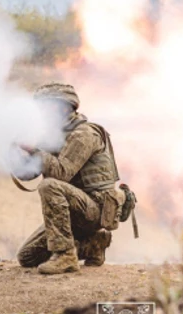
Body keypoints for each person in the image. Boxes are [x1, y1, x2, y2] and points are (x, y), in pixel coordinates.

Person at [15, 82, 125, 274]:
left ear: (63, 106)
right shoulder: (52, 135)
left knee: (49, 185)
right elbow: (27, 174)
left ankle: (66, 256)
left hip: (96, 209)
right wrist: (10, 149)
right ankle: (93, 245)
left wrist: (34, 149)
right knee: (27, 257)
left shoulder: (84, 134)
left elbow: (61, 173)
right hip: (73, 211)